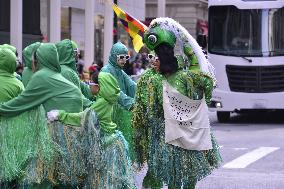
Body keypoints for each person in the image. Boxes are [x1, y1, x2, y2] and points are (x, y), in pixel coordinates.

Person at [133, 17, 221, 189]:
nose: (152, 60)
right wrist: (184, 38)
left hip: (172, 137)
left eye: (155, 57)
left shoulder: (156, 80)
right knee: (181, 175)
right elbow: (199, 66)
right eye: (150, 57)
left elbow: (148, 111)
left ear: (162, 58)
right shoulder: (164, 78)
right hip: (176, 136)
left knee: (181, 175)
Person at [0, 43, 85, 189]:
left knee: (40, 178)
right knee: (64, 177)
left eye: (34, 60)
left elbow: (21, 103)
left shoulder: (42, 76)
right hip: (72, 128)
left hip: (60, 129)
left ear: (39, 60)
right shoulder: (55, 75)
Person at [47, 72, 135, 189]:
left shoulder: (101, 103)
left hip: (108, 147)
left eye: (90, 84)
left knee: (105, 183)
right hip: (113, 142)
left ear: (98, 87)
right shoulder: (106, 100)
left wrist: (60, 115)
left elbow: (82, 118)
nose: (89, 86)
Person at [101, 42, 136, 160]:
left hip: (122, 114)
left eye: (126, 57)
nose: (124, 60)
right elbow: (115, 92)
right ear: (114, 56)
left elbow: (132, 86)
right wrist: (130, 103)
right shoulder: (106, 70)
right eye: (121, 57)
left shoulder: (120, 71)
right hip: (110, 114)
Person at [56, 39, 93, 109]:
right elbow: (78, 96)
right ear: (68, 53)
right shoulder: (67, 72)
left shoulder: (66, 70)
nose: (77, 55)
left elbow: (83, 88)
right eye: (75, 52)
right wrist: (94, 106)